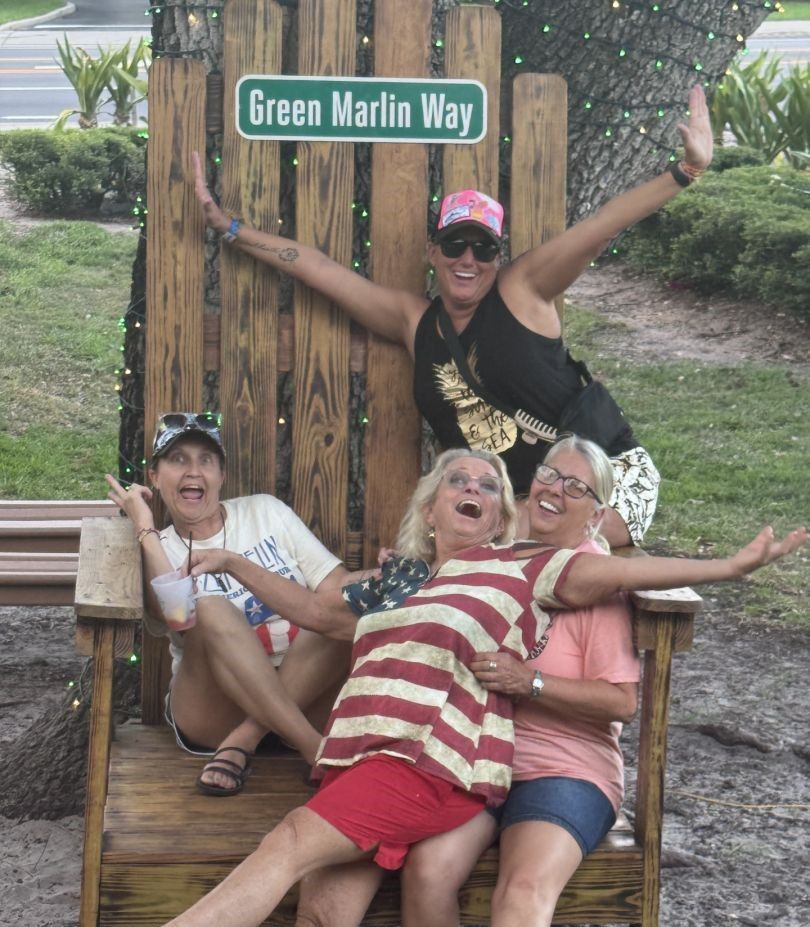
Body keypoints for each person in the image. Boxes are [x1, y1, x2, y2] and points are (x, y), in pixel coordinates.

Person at [160, 448, 805, 927]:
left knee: (289, 842)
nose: (474, 488)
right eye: (458, 480)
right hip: (359, 756)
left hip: (433, 762)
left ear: (500, 514)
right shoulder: (400, 580)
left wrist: (729, 566)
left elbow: (613, 570)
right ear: (430, 505)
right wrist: (235, 563)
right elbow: (319, 614)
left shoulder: (518, 568)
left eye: (490, 485)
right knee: (323, 912)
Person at [192, 85, 714, 548]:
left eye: (483, 249)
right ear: (433, 250)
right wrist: (231, 228)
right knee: (467, 547)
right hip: (516, 508)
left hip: (604, 482)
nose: (468, 260)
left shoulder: (523, 290)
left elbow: (600, 226)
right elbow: (319, 269)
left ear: (498, 257)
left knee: (490, 552)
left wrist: (684, 172)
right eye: (455, 244)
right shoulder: (416, 323)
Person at [106, 411, 358, 796]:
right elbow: (177, 617)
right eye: (178, 460)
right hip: (213, 710)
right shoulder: (161, 548)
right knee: (206, 605)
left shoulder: (265, 511)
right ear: (155, 478)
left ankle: (246, 739)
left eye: (205, 460)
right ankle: (313, 748)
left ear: (221, 475)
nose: (194, 471)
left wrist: (376, 579)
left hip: (307, 695)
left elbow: (335, 589)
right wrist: (144, 525)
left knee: (343, 613)